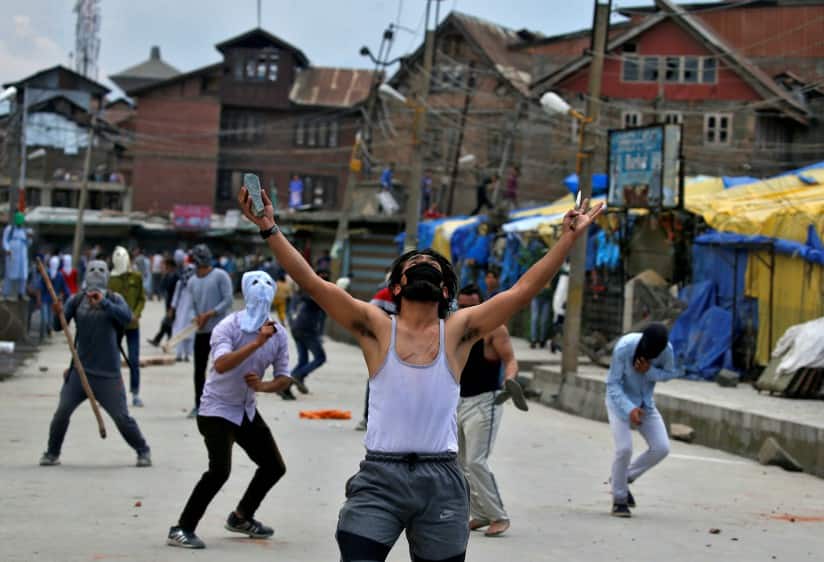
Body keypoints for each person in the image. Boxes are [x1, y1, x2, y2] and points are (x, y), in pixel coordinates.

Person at [237, 185, 602, 561]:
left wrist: (568, 239)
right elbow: (313, 283)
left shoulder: (459, 332)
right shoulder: (375, 327)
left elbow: (523, 290)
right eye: (414, 265)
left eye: (435, 267)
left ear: (446, 291)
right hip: (380, 479)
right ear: (397, 286)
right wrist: (269, 228)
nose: (425, 265)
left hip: (441, 481)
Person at [166, 271, 292, 549]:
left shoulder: (279, 334)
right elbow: (221, 364)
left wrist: (263, 386)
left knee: (273, 466)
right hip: (216, 409)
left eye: (268, 284)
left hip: (245, 410)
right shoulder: (228, 326)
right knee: (219, 470)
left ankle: (241, 516)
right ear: (245, 292)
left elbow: (285, 377)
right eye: (255, 285)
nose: (262, 290)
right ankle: (181, 528)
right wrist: (257, 343)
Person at [39, 260, 151, 468]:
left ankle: (143, 450)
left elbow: (128, 319)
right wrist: (58, 312)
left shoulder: (114, 299)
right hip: (80, 373)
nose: (96, 273)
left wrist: (104, 303)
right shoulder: (77, 300)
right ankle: (52, 453)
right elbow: (57, 327)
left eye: (101, 271)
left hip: (108, 375)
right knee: (62, 412)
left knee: (121, 418)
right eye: (92, 270)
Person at [455, 284, 521, 537]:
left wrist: (511, 380)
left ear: (482, 305)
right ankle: (480, 513)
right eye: (461, 306)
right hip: (458, 401)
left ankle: (498, 516)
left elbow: (510, 360)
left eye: (471, 306)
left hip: (484, 403)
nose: (466, 311)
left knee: (475, 461)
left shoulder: (495, 329)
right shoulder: (455, 327)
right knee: (459, 463)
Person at [606, 323, 681, 518]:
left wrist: (649, 371)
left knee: (662, 447)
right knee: (624, 449)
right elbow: (613, 383)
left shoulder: (667, 351)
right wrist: (629, 409)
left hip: (645, 403)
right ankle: (619, 499)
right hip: (618, 402)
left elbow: (671, 373)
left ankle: (622, 477)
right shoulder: (624, 347)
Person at [187, 244, 234, 418]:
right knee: (198, 370)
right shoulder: (192, 281)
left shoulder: (220, 276)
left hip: (220, 331)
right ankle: (199, 405)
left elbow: (228, 300)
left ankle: (223, 404)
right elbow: (191, 305)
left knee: (221, 369)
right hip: (201, 331)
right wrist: (196, 317)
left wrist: (210, 313)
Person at [108, 246, 147, 408]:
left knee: (133, 360)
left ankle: (135, 393)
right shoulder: (110, 279)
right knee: (113, 360)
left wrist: (136, 314)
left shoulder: (136, 277)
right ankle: (115, 393)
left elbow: (141, 299)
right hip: (116, 325)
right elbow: (108, 302)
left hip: (133, 325)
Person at [286, 269, 329, 398]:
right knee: (320, 357)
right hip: (306, 329)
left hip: (297, 327)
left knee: (303, 361)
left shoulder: (309, 290)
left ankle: (284, 385)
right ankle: (297, 376)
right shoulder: (316, 292)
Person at [37, 256, 71, 343]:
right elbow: (40, 288)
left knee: (50, 320)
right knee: (44, 319)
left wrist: (65, 296)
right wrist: (39, 299)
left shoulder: (59, 275)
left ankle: (48, 333)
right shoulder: (46, 274)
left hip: (53, 301)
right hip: (45, 299)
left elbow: (64, 288)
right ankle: (41, 337)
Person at [149, 257, 180, 347]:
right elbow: (163, 286)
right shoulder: (168, 275)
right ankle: (168, 340)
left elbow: (174, 291)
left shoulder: (176, 276)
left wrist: (173, 306)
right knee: (168, 322)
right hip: (169, 302)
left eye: (165, 265)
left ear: (170, 266)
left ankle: (158, 340)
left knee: (167, 322)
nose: (164, 267)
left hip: (174, 303)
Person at [171, 263, 196, 362]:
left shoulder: (195, 284)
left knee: (189, 333)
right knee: (179, 331)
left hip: (192, 312)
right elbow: (175, 297)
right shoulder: (180, 284)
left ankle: (187, 355)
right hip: (181, 311)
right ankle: (179, 354)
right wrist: (172, 308)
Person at [3, 211, 31, 299]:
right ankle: (6, 293)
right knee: (10, 274)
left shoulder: (25, 230)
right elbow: (4, 240)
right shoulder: (9, 229)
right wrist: (7, 249)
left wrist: (30, 238)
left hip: (22, 254)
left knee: (23, 274)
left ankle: (21, 293)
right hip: (13, 254)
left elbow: (28, 243)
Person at [529, 280, 553, 349]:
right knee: (535, 318)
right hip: (536, 297)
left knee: (544, 320)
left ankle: (542, 340)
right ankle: (533, 340)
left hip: (547, 298)